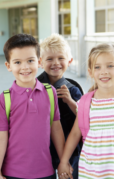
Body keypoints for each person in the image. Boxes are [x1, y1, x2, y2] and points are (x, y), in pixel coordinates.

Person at [0, 34, 65, 179]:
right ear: (8, 66)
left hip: (46, 172)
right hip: (12, 173)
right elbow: (0, 137)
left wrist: (64, 161)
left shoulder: (50, 93)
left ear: (39, 62)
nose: (24, 67)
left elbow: (56, 129)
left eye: (30, 61)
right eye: (17, 62)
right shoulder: (5, 98)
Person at [58, 43, 114, 179]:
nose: (104, 71)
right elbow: (74, 135)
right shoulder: (86, 103)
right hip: (93, 171)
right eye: (97, 67)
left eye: (110, 65)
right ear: (90, 72)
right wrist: (63, 161)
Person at [37, 34, 83, 179]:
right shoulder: (35, 87)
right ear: (40, 62)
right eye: (49, 59)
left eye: (61, 58)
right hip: (44, 147)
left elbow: (83, 116)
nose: (56, 63)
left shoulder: (73, 88)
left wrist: (70, 101)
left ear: (69, 61)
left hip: (71, 146)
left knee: (70, 175)